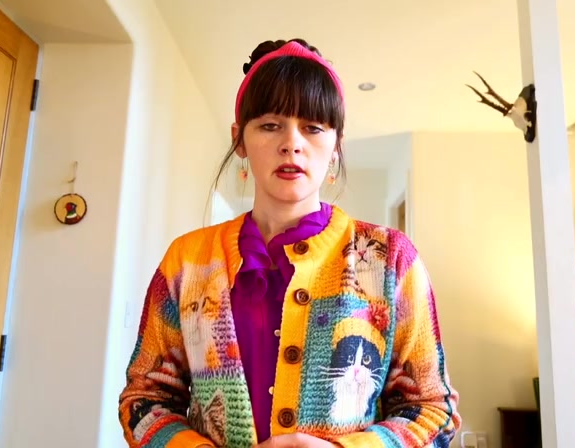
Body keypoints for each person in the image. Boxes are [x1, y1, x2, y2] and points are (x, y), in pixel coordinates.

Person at [118, 38, 460, 447]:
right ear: (239, 140)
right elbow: (144, 400)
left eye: (313, 128)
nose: (292, 143)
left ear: (336, 146)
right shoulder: (188, 262)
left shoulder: (390, 261)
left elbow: (433, 410)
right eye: (270, 125)